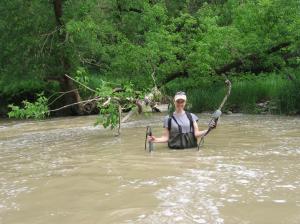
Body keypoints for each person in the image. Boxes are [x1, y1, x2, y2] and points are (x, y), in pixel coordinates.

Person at [148, 91, 216, 149]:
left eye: (182, 101)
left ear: (185, 102)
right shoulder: (168, 118)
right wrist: (155, 140)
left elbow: (196, 134)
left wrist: (209, 129)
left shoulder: (191, 116)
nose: (180, 104)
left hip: (191, 153)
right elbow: (166, 138)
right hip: (175, 154)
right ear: (174, 102)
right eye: (178, 101)